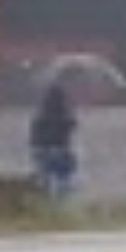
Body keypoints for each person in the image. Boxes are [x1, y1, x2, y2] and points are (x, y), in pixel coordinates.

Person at [29, 71, 81, 204]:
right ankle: (62, 199)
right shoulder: (64, 114)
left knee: (45, 176)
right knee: (64, 176)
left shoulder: (40, 115)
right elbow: (71, 127)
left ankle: (46, 197)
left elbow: (34, 137)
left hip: (42, 151)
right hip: (60, 150)